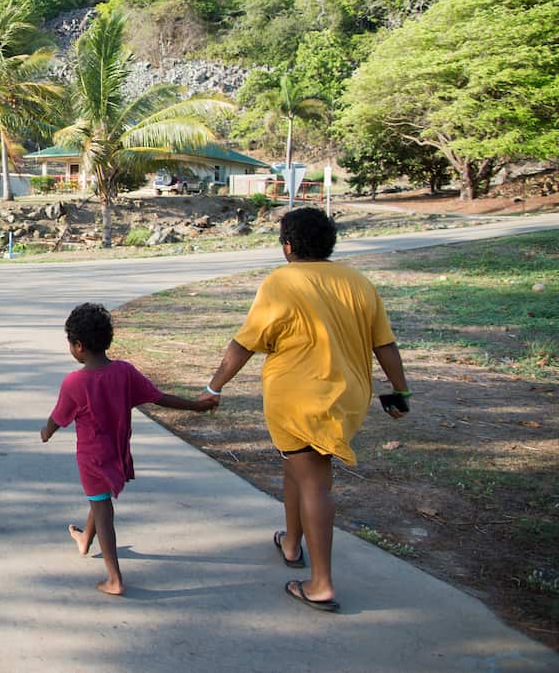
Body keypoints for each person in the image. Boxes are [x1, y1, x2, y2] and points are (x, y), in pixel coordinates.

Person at [204, 206, 411, 613]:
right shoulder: (358, 282)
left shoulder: (281, 282)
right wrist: (400, 391)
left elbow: (245, 343)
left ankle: (321, 584)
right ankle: (291, 542)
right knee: (295, 467)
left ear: (288, 246)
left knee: (314, 482)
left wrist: (214, 386)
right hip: (347, 397)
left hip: (297, 399)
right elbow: (384, 344)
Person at [41, 303, 218, 596]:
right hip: (117, 452)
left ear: (79, 346)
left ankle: (114, 579)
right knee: (99, 498)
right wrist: (196, 406)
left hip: (92, 458)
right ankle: (85, 539)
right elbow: (159, 398)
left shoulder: (75, 382)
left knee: (102, 508)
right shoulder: (124, 372)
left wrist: (45, 433)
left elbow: (57, 418)